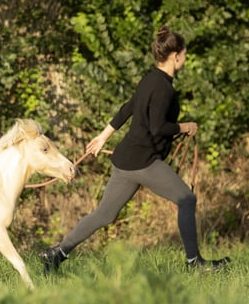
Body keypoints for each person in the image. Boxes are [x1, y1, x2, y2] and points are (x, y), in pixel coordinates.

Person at [40, 25, 230, 273]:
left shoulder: (150, 78)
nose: (185, 57)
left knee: (104, 214)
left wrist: (104, 136)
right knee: (186, 199)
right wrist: (185, 126)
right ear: (176, 56)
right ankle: (195, 264)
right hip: (143, 161)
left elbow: (129, 106)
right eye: (184, 53)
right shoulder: (163, 88)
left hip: (125, 160)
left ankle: (56, 253)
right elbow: (157, 127)